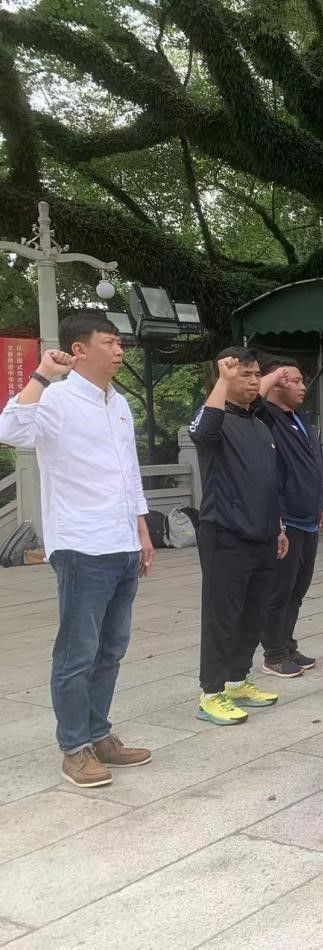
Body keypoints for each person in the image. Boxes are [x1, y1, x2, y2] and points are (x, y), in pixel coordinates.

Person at [0, 312, 154, 788]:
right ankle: (74, 748)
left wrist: (142, 528)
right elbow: (10, 430)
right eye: (109, 342)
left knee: (111, 649)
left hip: (123, 542)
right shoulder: (55, 399)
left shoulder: (119, 403)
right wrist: (42, 374)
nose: (119, 350)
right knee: (77, 651)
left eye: (120, 342)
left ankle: (99, 733)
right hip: (82, 544)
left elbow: (129, 470)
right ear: (79, 349)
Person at [189, 349, 287, 726]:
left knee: (252, 613)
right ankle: (211, 693)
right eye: (244, 374)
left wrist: (278, 527)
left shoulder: (259, 424)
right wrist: (223, 379)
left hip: (263, 533)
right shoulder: (214, 420)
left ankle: (237, 680)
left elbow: (267, 481)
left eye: (255, 374)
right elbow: (203, 432)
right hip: (226, 533)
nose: (253, 380)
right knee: (222, 616)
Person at [256, 363, 323, 677]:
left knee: (297, 590)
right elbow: (252, 399)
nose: (302, 386)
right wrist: (272, 376)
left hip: (309, 517)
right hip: (287, 520)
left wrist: (319, 505)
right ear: (277, 385)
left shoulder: (300, 419)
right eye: (294, 381)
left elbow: (311, 468)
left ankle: (287, 643)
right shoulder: (266, 417)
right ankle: (274, 653)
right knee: (279, 591)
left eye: (301, 380)